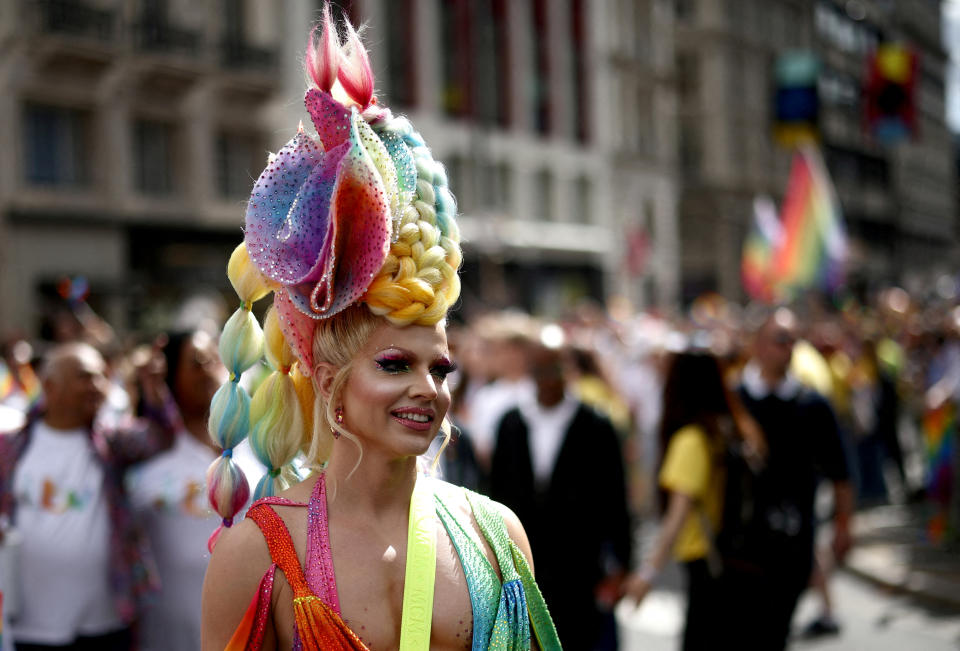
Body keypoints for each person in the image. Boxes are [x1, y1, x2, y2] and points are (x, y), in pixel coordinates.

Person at [200, 8, 560, 650]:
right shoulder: (257, 552)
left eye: (440, 368)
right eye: (395, 364)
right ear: (331, 379)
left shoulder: (495, 535)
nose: (429, 388)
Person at [0, 342, 178, 650]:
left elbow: (160, 436)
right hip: (29, 626)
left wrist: (153, 389)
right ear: (50, 386)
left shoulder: (111, 443)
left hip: (104, 622)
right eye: (84, 377)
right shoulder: (10, 447)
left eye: (101, 376)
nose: (97, 385)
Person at [489, 339, 631, 650]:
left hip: (581, 566)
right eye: (541, 371)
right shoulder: (511, 423)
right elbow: (495, 493)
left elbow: (615, 497)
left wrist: (622, 564)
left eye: (556, 369)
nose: (549, 379)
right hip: (524, 563)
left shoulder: (596, 424)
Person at [622, 349, 764, 650]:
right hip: (727, 554)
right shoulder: (727, 429)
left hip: (705, 558)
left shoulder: (691, 440)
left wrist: (647, 573)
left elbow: (677, 515)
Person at [729, 307, 853, 649]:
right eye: (779, 340)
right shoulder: (733, 399)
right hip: (740, 543)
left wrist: (843, 525)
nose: (786, 349)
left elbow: (840, 472)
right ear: (757, 344)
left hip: (792, 541)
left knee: (774, 631)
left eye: (792, 341)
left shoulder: (812, 405)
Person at [125, 331, 233, 651]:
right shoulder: (144, 456)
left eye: (216, 359)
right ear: (169, 375)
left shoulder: (259, 449)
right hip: (167, 636)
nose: (210, 370)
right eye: (197, 362)